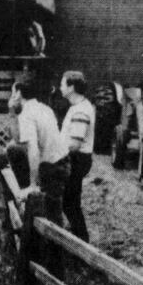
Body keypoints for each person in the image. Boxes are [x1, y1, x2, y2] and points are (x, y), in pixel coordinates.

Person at [8, 79, 70, 227]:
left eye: (12, 92)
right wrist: (12, 112)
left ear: (18, 93)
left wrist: (33, 184)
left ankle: (57, 245)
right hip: (62, 162)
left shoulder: (27, 114)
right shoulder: (44, 108)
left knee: (49, 216)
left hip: (52, 167)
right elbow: (17, 139)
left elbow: (33, 149)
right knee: (53, 210)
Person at [59, 71, 96, 242]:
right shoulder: (77, 107)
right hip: (75, 158)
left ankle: (82, 241)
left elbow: (74, 144)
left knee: (70, 202)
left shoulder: (81, 110)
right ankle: (78, 238)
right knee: (69, 201)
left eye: (62, 84)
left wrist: (55, 153)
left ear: (71, 87)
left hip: (76, 160)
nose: (60, 87)